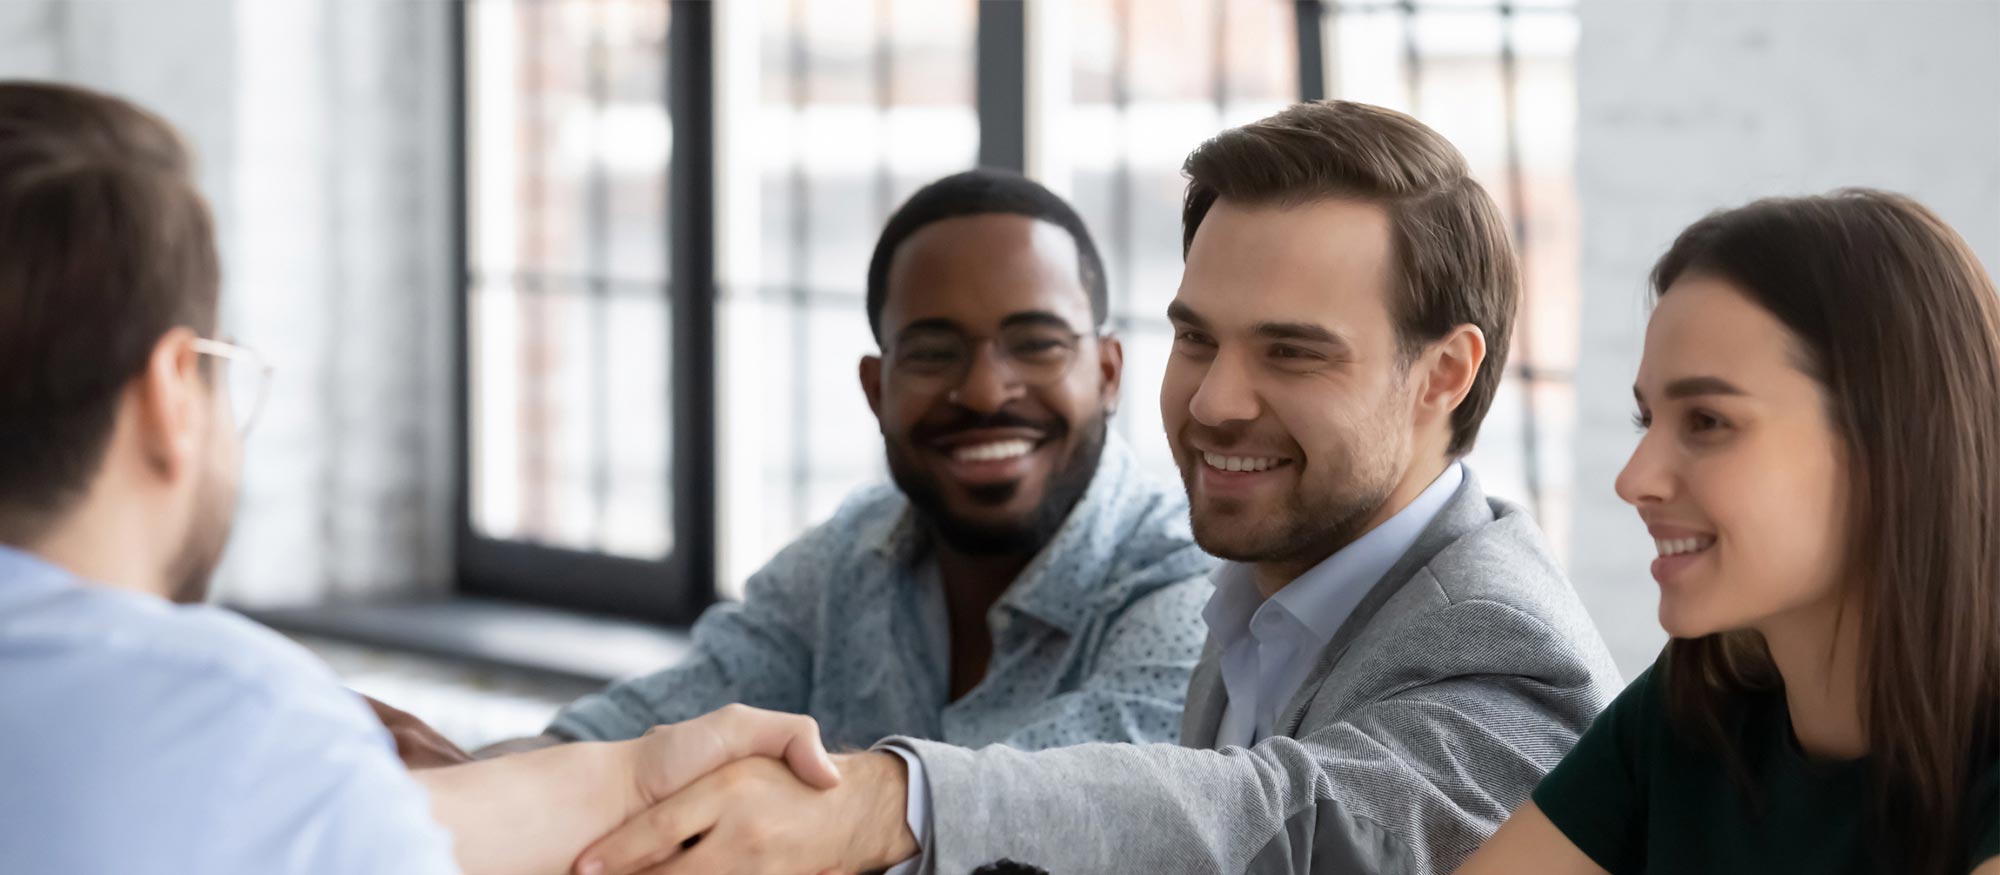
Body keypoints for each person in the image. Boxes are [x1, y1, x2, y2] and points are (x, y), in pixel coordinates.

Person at [570, 100, 1623, 875]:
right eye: (1196, 339)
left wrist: (896, 800)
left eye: (1291, 354)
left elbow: (1285, 817)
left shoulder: (1502, 644)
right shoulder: (1271, 586)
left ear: (1443, 373)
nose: (1212, 403)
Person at [0, 80, 840, 875]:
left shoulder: (243, 753)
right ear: (171, 392)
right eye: (225, 364)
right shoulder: (232, 719)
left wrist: (635, 779)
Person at [375, 169, 1216, 766]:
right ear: (876, 388)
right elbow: (649, 721)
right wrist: (484, 776)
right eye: (932, 352)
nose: (985, 389)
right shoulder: (855, 551)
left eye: (1036, 343)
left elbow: (1027, 814)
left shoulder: (1192, 589)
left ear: (1107, 372)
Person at [1458, 190, 2000, 874]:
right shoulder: (1689, 714)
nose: (1634, 479)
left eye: (1708, 422)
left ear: (1894, 445)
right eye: (1645, 420)